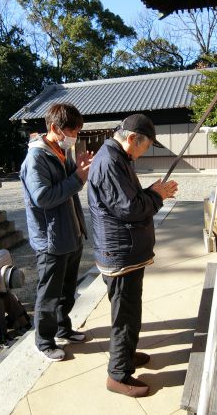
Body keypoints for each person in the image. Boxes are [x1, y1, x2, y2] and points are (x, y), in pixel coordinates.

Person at [87, 113, 178, 397]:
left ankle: (125, 355)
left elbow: (129, 203)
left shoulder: (118, 157)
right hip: (120, 253)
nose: (144, 152)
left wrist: (153, 193)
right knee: (125, 315)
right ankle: (118, 375)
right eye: (145, 146)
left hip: (125, 251)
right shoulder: (111, 161)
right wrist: (157, 195)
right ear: (131, 139)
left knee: (129, 310)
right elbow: (130, 208)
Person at [21, 103, 94, 362]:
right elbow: (43, 197)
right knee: (49, 292)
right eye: (72, 131)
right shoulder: (37, 157)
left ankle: (64, 328)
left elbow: (68, 188)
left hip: (70, 232)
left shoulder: (61, 152)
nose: (74, 136)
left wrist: (77, 172)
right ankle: (44, 341)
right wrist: (78, 178)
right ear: (54, 128)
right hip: (51, 239)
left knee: (67, 289)